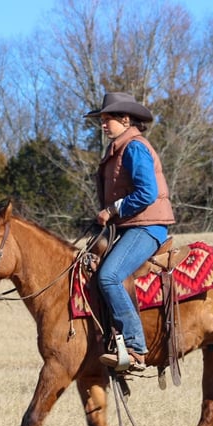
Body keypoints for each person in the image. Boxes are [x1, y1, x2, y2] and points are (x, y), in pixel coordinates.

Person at [84, 92, 175, 371]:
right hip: (129, 226)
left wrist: (111, 211)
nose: (102, 124)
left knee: (109, 276)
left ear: (125, 119)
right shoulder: (118, 148)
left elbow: (147, 192)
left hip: (147, 227)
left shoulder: (134, 147)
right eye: (101, 119)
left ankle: (135, 347)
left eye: (107, 119)